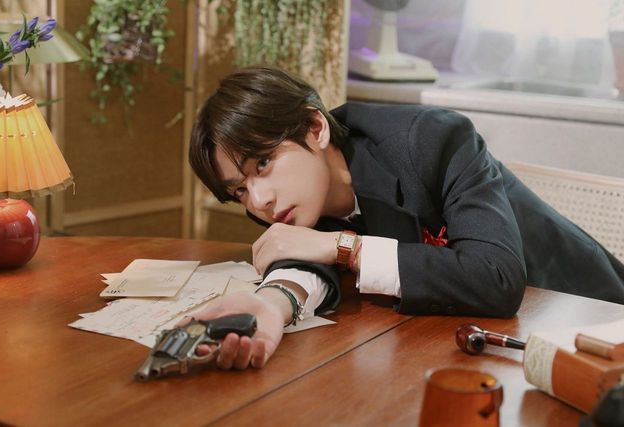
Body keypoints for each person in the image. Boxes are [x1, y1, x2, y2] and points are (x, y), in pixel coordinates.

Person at [185, 66, 624, 371]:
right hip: (485, 346)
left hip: (587, 315)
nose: (259, 200)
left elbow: (497, 277)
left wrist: (348, 249)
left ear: (315, 128)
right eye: (238, 190)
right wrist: (273, 302)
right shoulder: (289, 201)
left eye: (263, 163)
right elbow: (307, 256)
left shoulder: (429, 140)